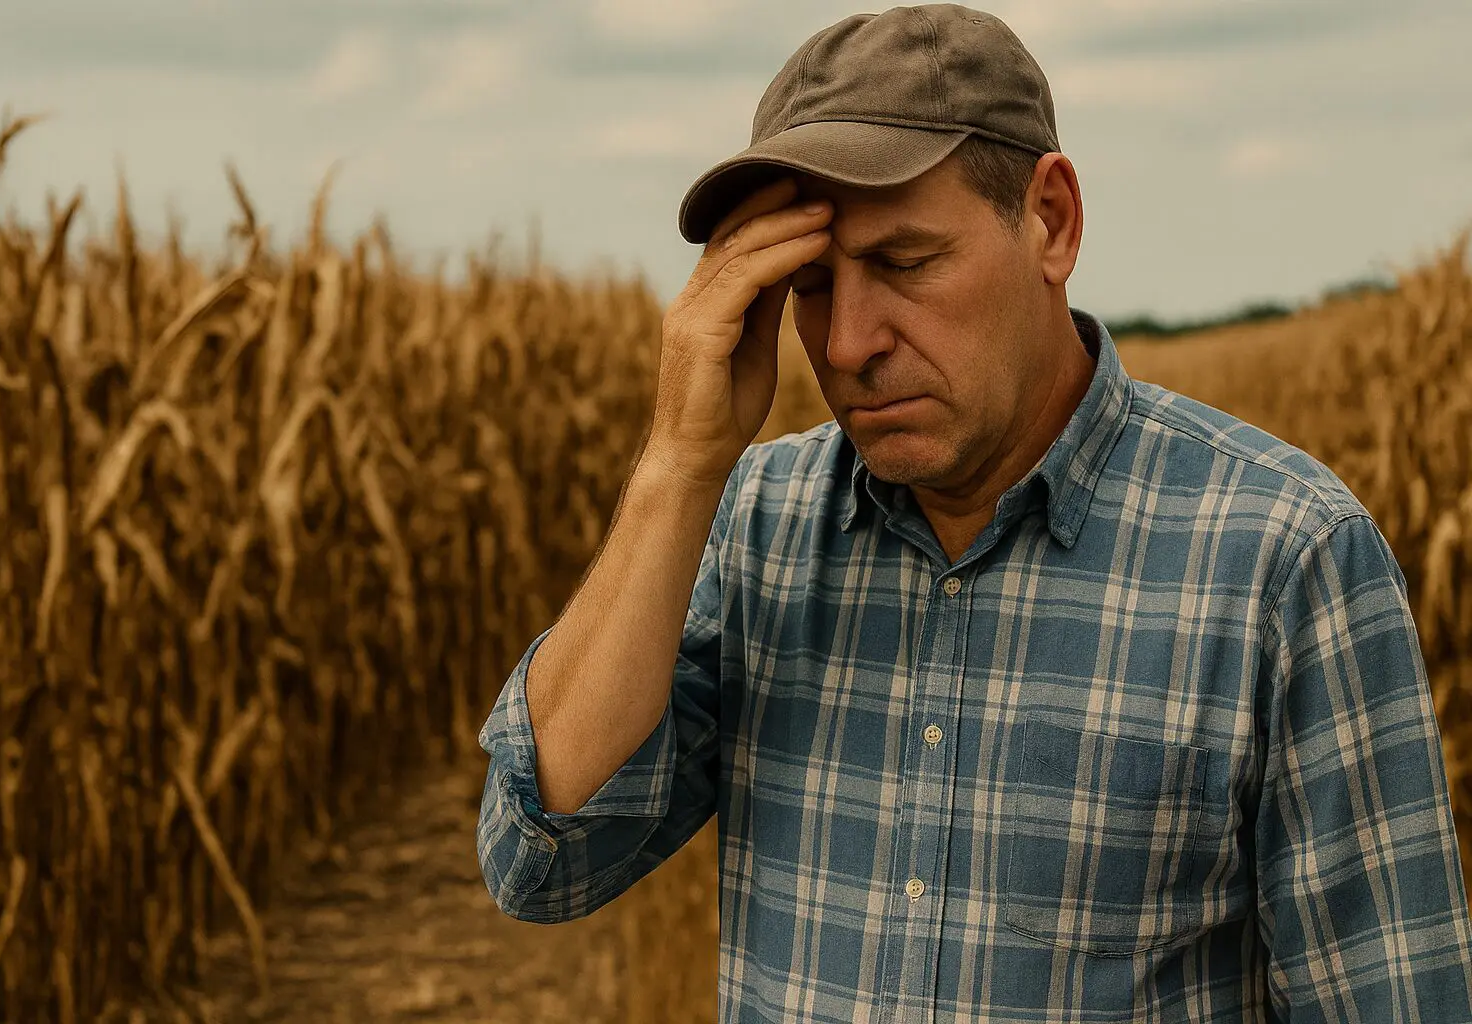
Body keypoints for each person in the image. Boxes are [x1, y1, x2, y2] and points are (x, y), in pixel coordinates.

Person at [476, 5, 1472, 1020]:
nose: (850, 341)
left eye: (905, 263)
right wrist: (679, 468)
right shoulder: (755, 526)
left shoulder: (1284, 558)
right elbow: (540, 862)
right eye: (810, 285)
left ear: (1051, 220)